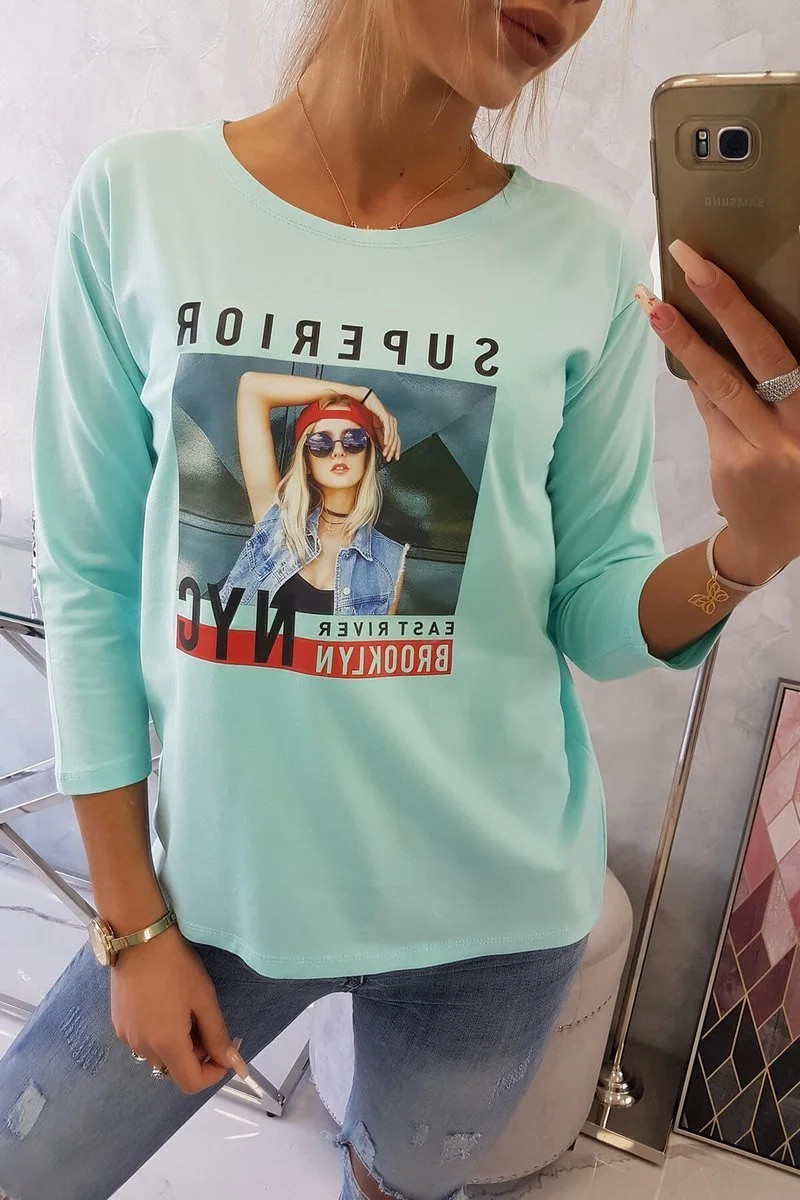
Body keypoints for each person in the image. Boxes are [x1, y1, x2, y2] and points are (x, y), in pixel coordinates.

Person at [6, 2, 773, 1198]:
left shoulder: (578, 260)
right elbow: (92, 578)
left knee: (396, 1184)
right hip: (217, 894)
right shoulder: (142, 202)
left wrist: (748, 548)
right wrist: (132, 922)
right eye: (316, 446)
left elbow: (593, 612)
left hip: (493, 924)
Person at [218, 375, 408, 616]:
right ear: (306, 461)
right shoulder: (277, 522)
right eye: (321, 443)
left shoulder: (390, 562)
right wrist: (362, 394)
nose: (338, 451)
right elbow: (252, 388)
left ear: (368, 454)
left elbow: (373, 643)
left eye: (353, 440)